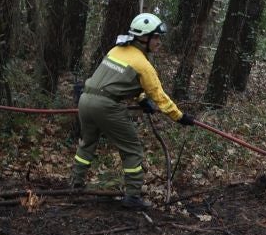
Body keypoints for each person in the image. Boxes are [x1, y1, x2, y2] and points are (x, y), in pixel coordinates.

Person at [69, 12, 194, 209]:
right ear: (143, 38)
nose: (159, 42)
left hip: (85, 100)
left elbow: (116, 80)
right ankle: (133, 196)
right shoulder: (143, 65)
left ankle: (75, 184)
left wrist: (141, 99)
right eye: (156, 37)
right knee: (132, 149)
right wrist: (180, 117)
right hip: (106, 106)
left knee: (87, 143)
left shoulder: (116, 50)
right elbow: (160, 97)